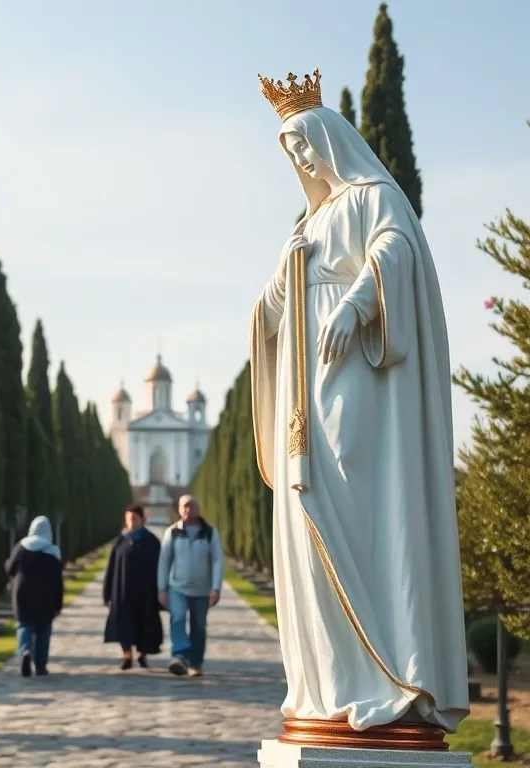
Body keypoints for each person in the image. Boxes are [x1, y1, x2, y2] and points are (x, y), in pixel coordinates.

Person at [251, 69, 468, 732]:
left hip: (354, 379)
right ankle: (329, 685)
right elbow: (265, 315)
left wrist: (358, 299)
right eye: (290, 153)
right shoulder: (308, 221)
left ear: (330, 139)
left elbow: (397, 249)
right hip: (299, 396)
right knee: (303, 515)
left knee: (357, 498)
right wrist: (280, 290)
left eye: (305, 145)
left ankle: (385, 675)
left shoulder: (373, 197)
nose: (301, 159)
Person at [157, 494, 224, 678]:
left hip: (202, 590)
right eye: (183, 506)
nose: (187, 509)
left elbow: (218, 560)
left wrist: (216, 587)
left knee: (199, 627)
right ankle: (179, 656)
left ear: (198, 509)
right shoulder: (172, 532)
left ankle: (195, 663)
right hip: (177, 587)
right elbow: (164, 561)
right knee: (177, 618)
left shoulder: (210, 533)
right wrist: (162, 589)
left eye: (191, 505)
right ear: (178, 510)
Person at [103, 505, 163, 669]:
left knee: (144, 623)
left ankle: (142, 654)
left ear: (142, 519)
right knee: (124, 623)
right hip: (122, 591)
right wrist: (107, 593)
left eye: (134, 518)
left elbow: (160, 568)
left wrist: (161, 590)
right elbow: (111, 568)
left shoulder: (151, 541)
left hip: (145, 591)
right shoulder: (120, 541)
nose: (131, 521)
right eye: (128, 518)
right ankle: (126, 654)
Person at [5, 515, 63, 678]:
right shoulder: (53, 551)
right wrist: (58, 604)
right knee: (43, 629)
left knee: (24, 625)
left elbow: (10, 568)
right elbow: (58, 581)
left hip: (23, 594)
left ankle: (25, 651)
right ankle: (41, 666)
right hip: (46, 596)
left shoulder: (21, 547)